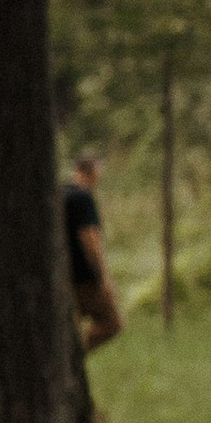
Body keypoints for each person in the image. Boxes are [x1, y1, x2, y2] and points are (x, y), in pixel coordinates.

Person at [65, 145, 123, 349]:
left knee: (70, 325)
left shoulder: (61, 194)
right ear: (93, 171)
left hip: (65, 274)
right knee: (113, 323)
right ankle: (74, 358)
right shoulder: (83, 197)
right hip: (85, 275)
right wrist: (103, 276)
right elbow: (90, 239)